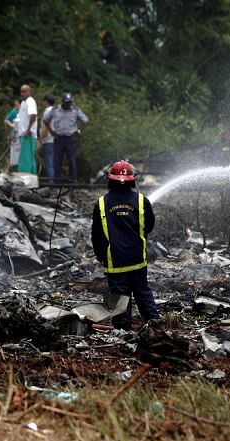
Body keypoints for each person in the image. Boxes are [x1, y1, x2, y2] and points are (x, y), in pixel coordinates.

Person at [91, 161, 159, 330]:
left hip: (115, 260)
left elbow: (97, 235)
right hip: (137, 259)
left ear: (110, 180)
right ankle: (155, 326)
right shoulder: (142, 201)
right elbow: (149, 226)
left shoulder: (101, 204)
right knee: (143, 292)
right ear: (132, 180)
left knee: (119, 297)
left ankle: (123, 332)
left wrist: (100, 256)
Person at [44, 92, 89, 183]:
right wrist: (51, 132)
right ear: (62, 102)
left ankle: (73, 181)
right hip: (58, 138)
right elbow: (46, 120)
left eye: (70, 102)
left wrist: (78, 131)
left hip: (70, 138)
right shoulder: (55, 110)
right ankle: (57, 181)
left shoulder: (75, 110)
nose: (68, 104)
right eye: (67, 102)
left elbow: (85, 121)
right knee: (57, 161)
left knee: (72, 160)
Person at [17, 85, 37, 174]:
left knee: (25, 159)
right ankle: (32, 179)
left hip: (28, 134)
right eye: (21, 92)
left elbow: (33, 115)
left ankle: (24, 178)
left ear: (29, 92)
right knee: (29, 158)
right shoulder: (23, 103)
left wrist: (28, 130)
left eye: (25, 91)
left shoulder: (30, 101)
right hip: (23, 133)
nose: (22, 94)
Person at [37, 94, 56, 182]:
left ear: (46, 102)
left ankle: (51, 183)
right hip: (55, 140)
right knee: (52, 162)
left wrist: (40, 141)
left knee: (48, 162)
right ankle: (53, 181)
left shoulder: (47, 112)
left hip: (47, 140)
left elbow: (45, 128)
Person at [4, 99, 20, 170]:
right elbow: (6, 121)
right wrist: (10, 125)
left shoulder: (23, 112)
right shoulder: (14, 111)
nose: (15, 106)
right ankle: (10, 169)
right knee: (13, 154)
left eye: (16, 105)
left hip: (20, 136)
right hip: (14, 136)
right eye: (15, 105)